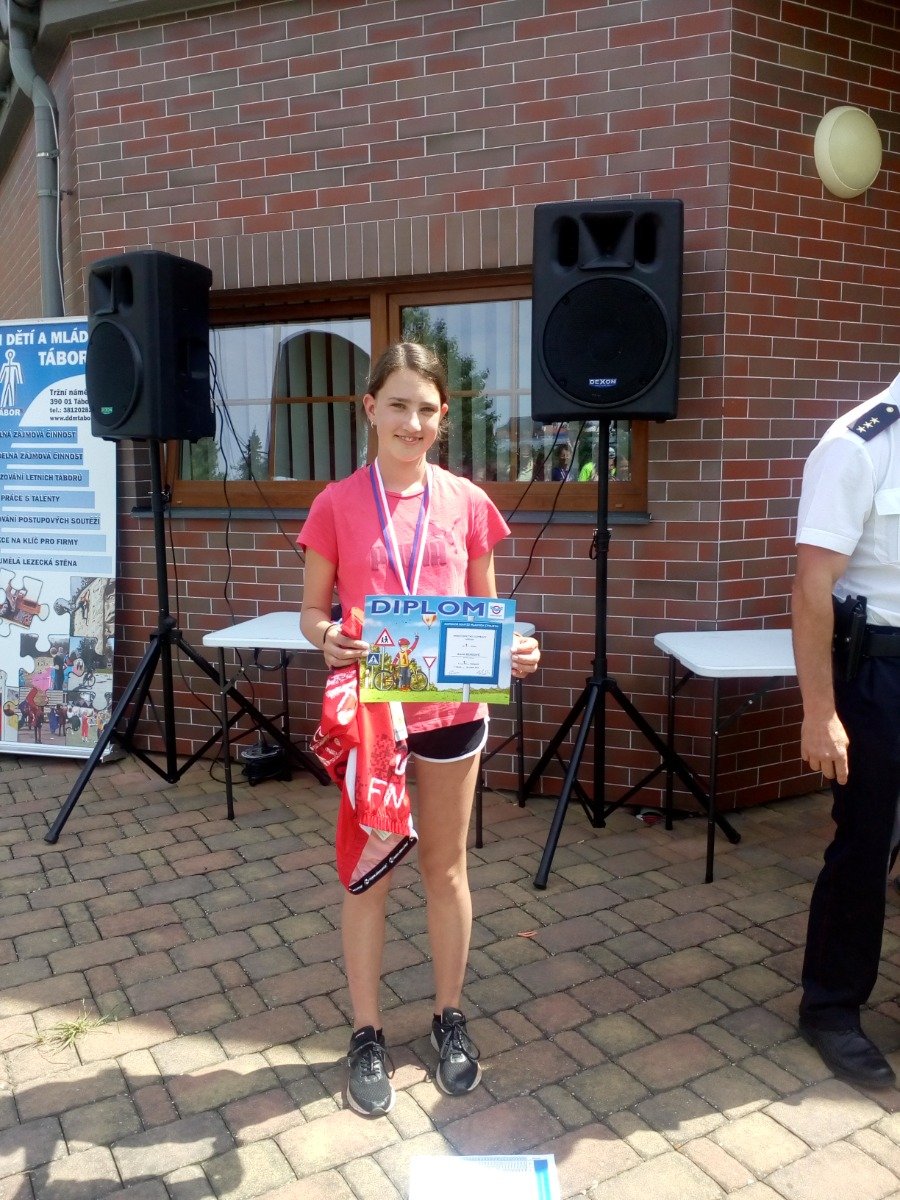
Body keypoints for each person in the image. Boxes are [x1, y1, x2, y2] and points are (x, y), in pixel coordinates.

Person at [299, 342, 540, 1118]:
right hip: (375, 719)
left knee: (446, 871)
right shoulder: (336, 503)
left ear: (443, 417)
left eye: (428, 409)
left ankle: (449, 1015)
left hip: (450, 714)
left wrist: (515, 650)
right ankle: (366, 1032)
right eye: (398, 405)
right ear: (370, 408)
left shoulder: (466, 502)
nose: (413, 422)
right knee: (368, 875)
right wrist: (326, 636)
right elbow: (313, 610)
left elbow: (484, 610)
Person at [792, 369, 900, 1089]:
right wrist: (820, 711)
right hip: (879, 674)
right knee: (866, 843)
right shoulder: (859, 444)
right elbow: (811, 588)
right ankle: (830, 1008)